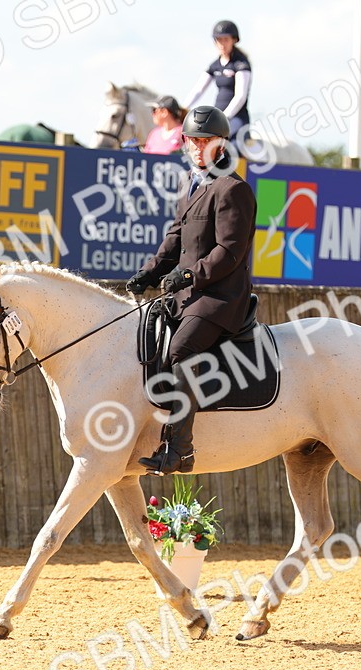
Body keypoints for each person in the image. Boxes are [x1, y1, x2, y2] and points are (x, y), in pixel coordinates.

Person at [125, 106, 256, 475]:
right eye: (191, 141)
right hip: (188, 296)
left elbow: (229, 252)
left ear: (221, 143)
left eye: (205, 141)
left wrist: (188, 277)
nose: (197, 148)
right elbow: (175, 238)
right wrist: (148, 273)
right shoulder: (191, 185)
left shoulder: (234, 189)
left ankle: (180, 449)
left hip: (219, 298)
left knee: (181, 349)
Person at [183, 21, 252, 140]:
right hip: (217, 114)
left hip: (236, 117)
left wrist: (225, 117)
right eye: (219, 40)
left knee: (235, 144)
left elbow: (241, 96)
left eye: (226, 39)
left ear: (234, 40)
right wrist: (183, 109)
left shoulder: (241, 64)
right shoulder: (215, 65)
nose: (222, 44)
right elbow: (198, 90)